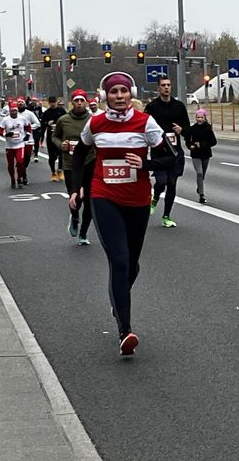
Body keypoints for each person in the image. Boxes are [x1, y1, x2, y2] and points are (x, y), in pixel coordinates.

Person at [69, 72, 176, 356]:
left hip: (138, 200)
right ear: (106, 96)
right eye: (113, 91)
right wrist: (77, 188)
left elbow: (171, 158)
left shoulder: (145, 123)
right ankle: (124, 331)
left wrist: (144, 165)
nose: (119, 96)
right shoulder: (96, 123)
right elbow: (79, 154)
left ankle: (118, 299)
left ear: (131, 95)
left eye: (123, 91)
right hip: (104, 197)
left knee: (132, 266)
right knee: (118, 261)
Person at [145, 75, 190, 227]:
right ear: (158, 88)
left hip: (175, 152)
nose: (166, 87)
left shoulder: (179, 106)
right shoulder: (152, 107)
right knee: (161, 182)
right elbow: (143, 127)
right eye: (163, 85)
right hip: (159, 152)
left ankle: (166, 216)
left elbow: (188, 128)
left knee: (171, 183)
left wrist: (181, 130)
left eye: (168, 85)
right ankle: (155, 197)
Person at [52, 89, 94, 245]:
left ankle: (83, 233)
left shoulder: (93, 120)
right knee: (75, 198)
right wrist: (60, 144)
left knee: (90, 201)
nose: (79, 103)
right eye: (76, 100)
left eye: (82, 100)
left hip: (89, 162)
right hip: (70, 164)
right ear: (72, 102)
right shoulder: (64, 120)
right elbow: (54, 136)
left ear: (86, 102)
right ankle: (75, 216)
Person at [184, 108, 217, 204]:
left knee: (203, 174)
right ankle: (202, 195)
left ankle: (199, 187)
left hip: (206, 154)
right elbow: (187, 139)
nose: (199, 119)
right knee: (199, 173)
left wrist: (202, 144)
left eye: (201, 117)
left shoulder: (208, 128)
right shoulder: (192, 128)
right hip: (196, 154)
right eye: (198, 117)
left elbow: (213, 142)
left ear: (205, 118)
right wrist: (190, 145)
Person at [0, 102, 31, 188]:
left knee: (20, 162)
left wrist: (27, 135)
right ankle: (12, 178)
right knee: (10, 164)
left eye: (15, 111)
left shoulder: (22, 118)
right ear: (9, 111)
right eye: (12, 111)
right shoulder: (6, 120)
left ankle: (19, 178)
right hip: (9, 145)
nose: (14, 112)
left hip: (20, 144)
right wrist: (6, 134)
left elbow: (28, 127)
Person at [40, 95, 67, 181]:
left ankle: (60, 170)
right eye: (51, 102)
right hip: (50, 137)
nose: (53, 104)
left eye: (54, 102)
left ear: (57, 102)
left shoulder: (61, 111)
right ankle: (53, 172)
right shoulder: (47, 113)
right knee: (51, 156)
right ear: (49, 103)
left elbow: (67, 121)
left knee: (61, 154)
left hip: (60, 136)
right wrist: (47, 123)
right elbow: (42, 125)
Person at [16, 97, 41, 185]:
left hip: (28, 140)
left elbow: (37, 123)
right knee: (20, 159)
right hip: (16, 140)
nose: (20, 105)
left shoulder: (29, 114)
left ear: (25, 104)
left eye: (22, 103)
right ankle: (23, 175)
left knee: (26, 158)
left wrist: (29, 128)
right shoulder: (13, 114)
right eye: (18, 103)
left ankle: (23, 169)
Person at [29, 97, 44, 162]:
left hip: (37, 126)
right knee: (28, 140)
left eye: (35, 100)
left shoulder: (38, 108)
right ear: (31, 101)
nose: (34, 102)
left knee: (36, 139)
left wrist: (41, 119)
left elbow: (41, 115)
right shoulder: (28, 108)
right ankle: (28, 151)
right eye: (33, 100)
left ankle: (36, 154)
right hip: (29, 126)